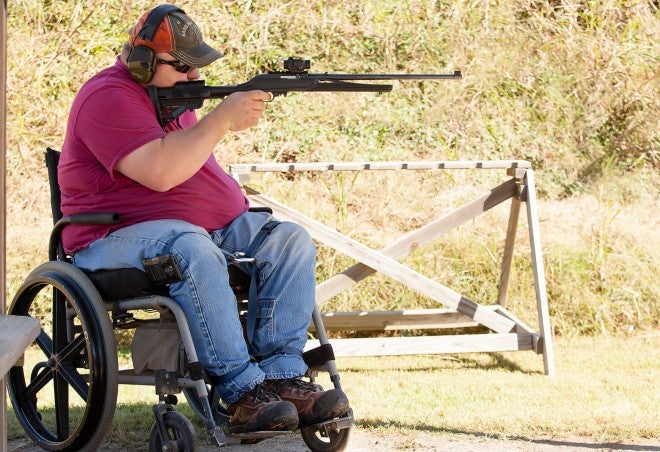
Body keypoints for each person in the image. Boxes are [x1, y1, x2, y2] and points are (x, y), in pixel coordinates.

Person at [58, 4, 348, 434]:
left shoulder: (172, 100)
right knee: (190, 245)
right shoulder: (108, 97)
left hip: (201, 232)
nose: (195, 79)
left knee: (288, 239)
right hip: (111, 238)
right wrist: (220, 120)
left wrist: (215, 118)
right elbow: (161, 173)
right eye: (185, 69)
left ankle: (283, 378)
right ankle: (242, 391)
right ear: (144, 62)